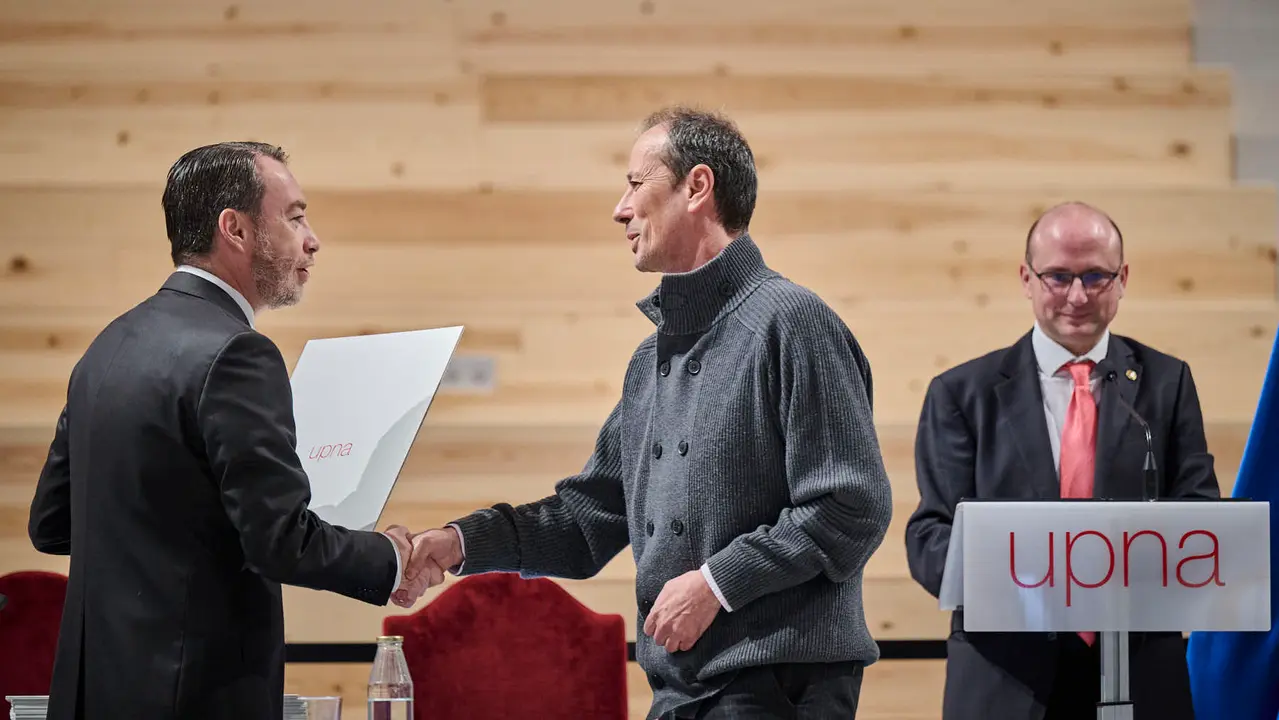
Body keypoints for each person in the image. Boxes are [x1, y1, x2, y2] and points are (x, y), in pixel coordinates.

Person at [403, 106, 894, 719]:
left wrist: (718, 583)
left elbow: (851, 508)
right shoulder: (648, 362)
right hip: (679, 693)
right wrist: (457, 543)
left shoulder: (793, 322)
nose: (620, 208)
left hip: (780, 691)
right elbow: (585, 522)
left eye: (637, 184)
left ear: (697, 187)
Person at [27, 142, 440, 720]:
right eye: (295, 216)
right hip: (194, 697)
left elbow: (51, 524)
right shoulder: (238, 354)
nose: (312, 238)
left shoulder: (107, 346)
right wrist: (391, 558)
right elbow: (279, 542)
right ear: (236, 229)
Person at [904, 201, 1221, 719]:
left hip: (1139, 671)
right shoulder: (962, 393)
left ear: (1123, 280)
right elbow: (930, 539)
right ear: (1026, 279)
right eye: (1058, 277)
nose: (1077, 296)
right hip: (1007, 676)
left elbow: (1198, 519)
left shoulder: (1167, 383)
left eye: (1096, 276)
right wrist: (1031, 573)